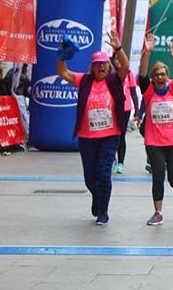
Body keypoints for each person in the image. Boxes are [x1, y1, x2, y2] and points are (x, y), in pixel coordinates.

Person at [55, 30, 130, 226]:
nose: (101, 67)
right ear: (92, 67)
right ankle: (97, 198)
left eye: (104, 64)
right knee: (90, 178)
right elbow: (63, 72)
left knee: (104, 172)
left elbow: (126, 67)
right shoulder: (85, 80)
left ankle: (103, 211)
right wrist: (62, 56)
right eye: (97, 64)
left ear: (108, 66)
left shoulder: (114, 80)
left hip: (110, 135)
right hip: (87, 137)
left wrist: (118, 48)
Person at [138, 35, 173, 226]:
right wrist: (147, 53)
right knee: (158, 175)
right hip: (154, 142)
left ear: (167, 76)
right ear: (153, 77)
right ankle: (158, 212)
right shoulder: (148, 91)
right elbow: (141, 76)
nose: (159, 77)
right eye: (156, 74)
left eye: (162, 74)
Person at [115, 70, 141, 174]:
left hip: (125, 109)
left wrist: (137, 111)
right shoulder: (110, 72)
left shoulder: (129, 74)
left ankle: (121, 162)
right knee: (111, 136)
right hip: (111, 108)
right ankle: (112, 160)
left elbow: (133, 92)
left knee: (121, 135)